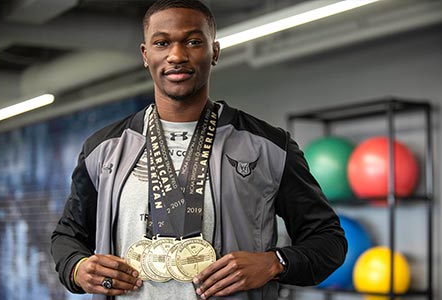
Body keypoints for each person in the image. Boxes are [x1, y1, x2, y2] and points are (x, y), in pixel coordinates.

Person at [51, 0, 347, 299]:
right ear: (146, 54)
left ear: (214, 51)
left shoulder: (269, 147)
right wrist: (78, 268)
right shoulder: (103, 149)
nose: (176, 55)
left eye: (193, 42)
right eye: (162, 43)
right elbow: (67, 236)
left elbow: (328, 241)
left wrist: (275, 263)